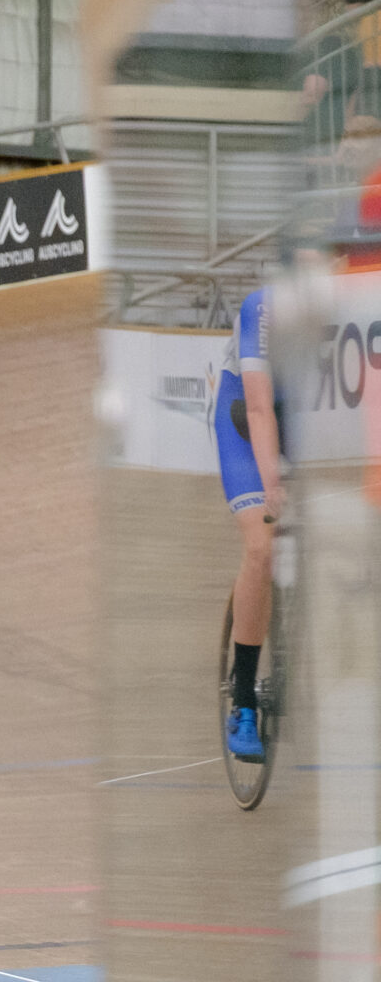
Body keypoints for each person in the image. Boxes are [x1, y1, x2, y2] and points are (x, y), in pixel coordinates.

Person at [207, 287, 282, 761]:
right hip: (244, 415)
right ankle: (244, 701)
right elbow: (257, 409)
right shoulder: (264, 307)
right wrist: (273, 485)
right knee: (261, 546)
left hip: (305, 419)